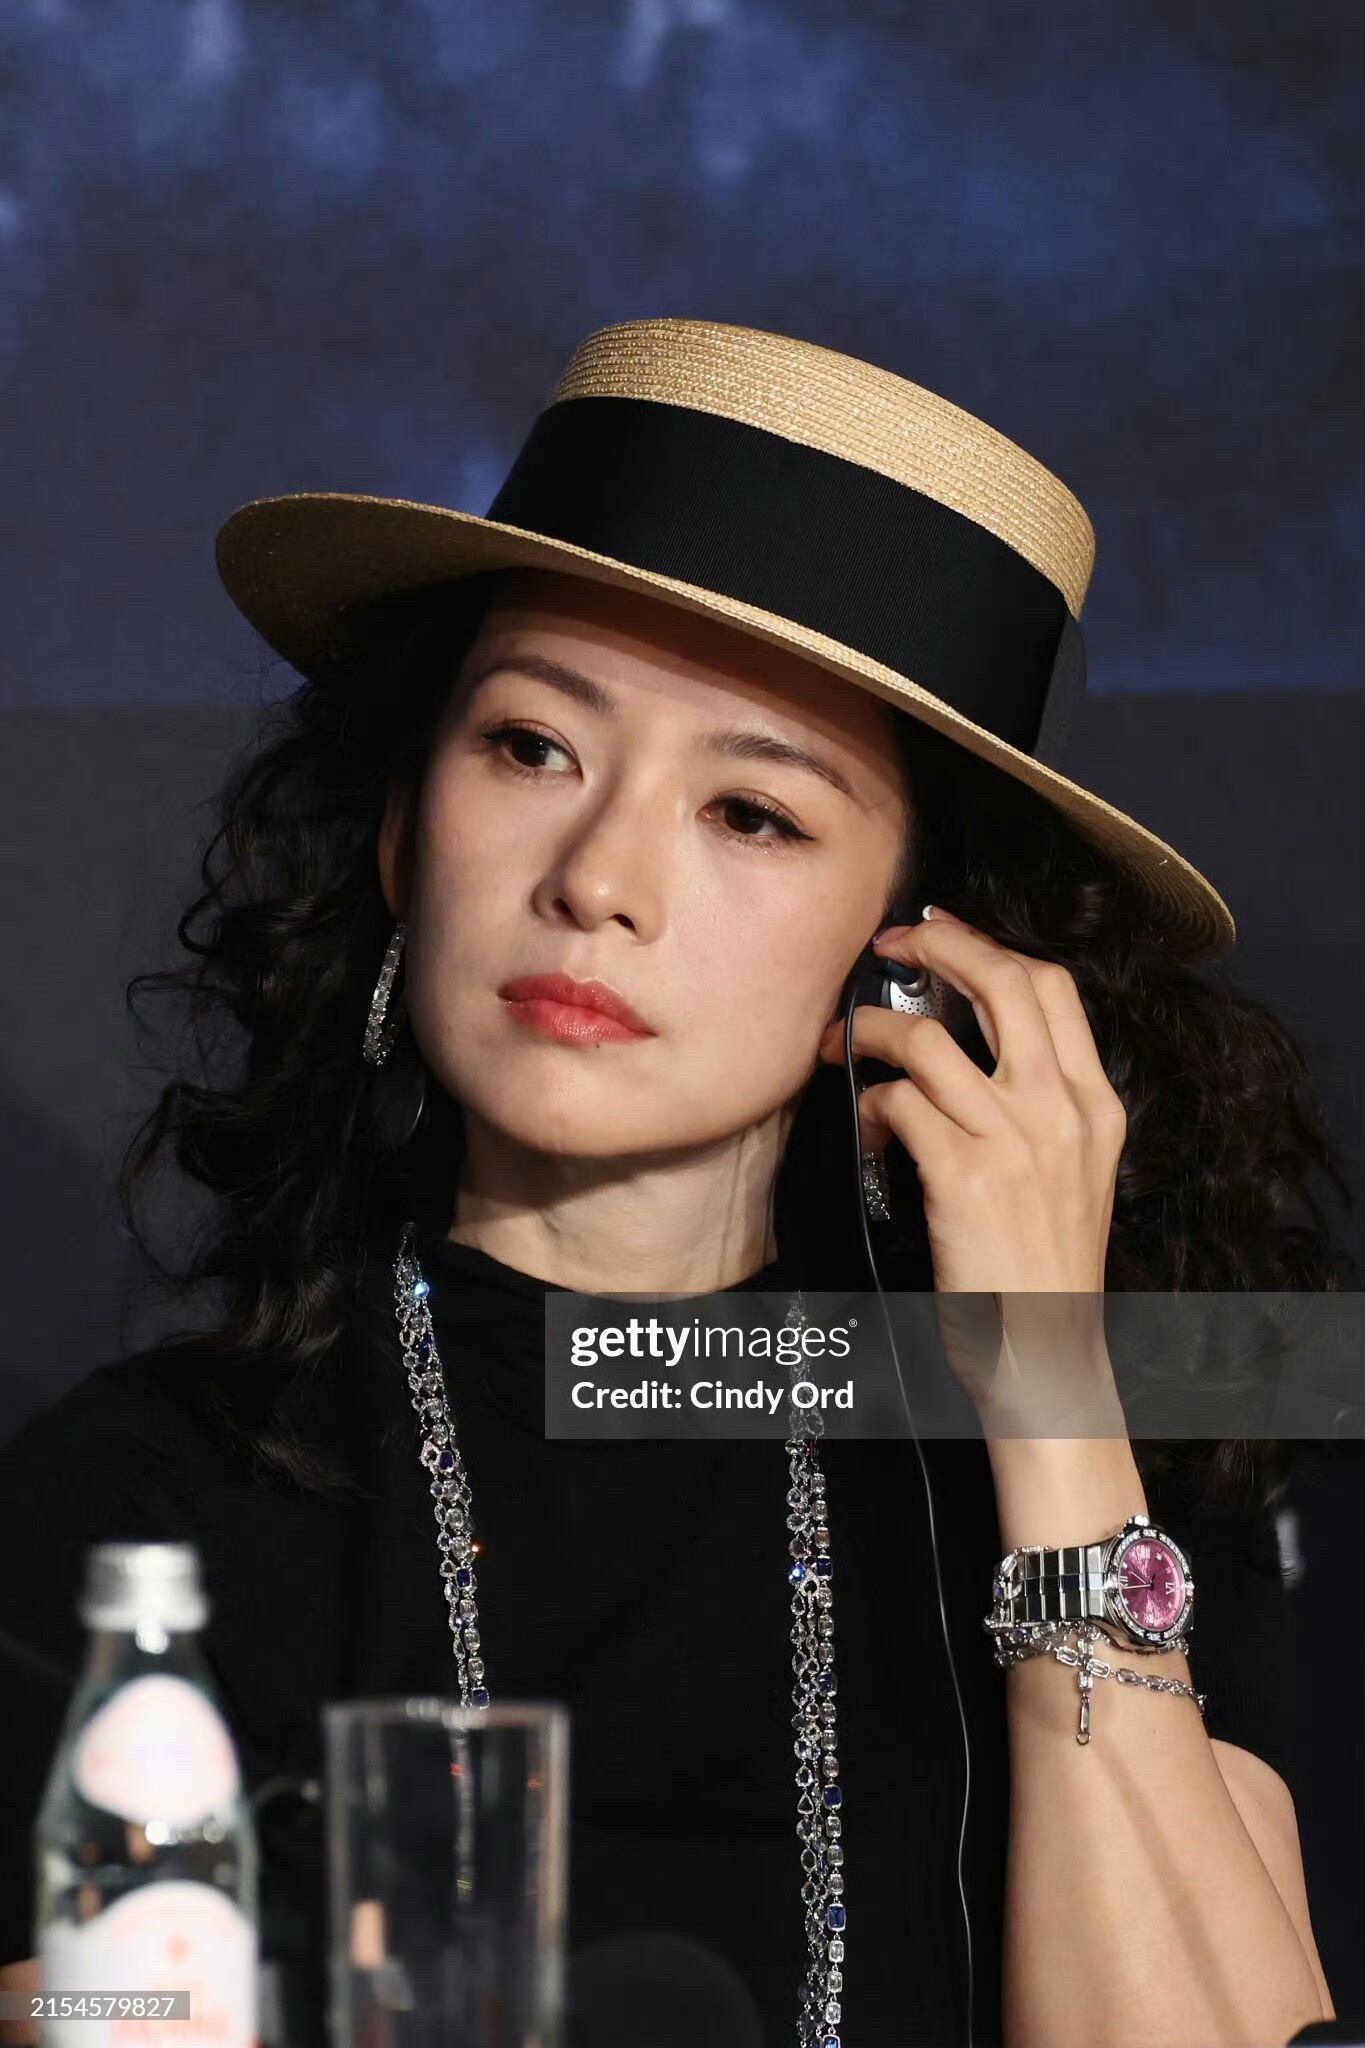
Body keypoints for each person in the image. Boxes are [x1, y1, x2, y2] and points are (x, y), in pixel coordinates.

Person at [0, 318, 1350, 2048]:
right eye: (530, 747)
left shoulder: (1100, 1474)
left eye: (752, 814)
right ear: (404, 835)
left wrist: (1048, 1393)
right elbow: (77, 2001)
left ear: (919, 954)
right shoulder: (146, 1497)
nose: (600, 879)